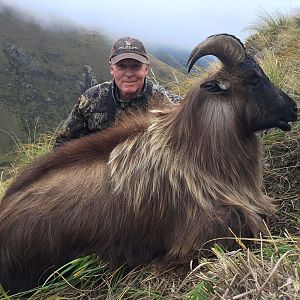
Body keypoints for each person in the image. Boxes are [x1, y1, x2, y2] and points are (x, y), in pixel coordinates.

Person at [54, 36, 181, 147]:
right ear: (112, 69)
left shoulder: (165, 103)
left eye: (135, 66)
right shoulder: (90, 99)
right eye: (122, 66)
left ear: (146, 69)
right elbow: (62, 144)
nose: (129, 74)